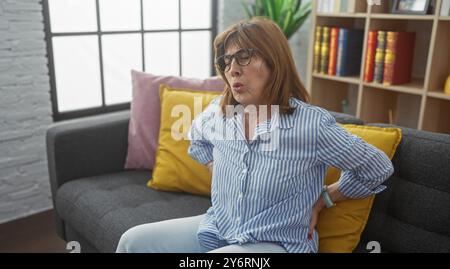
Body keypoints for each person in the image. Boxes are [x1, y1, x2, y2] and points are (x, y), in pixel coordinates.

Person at [116, 17, 394, 253]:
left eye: (244, 57)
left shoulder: (311, 125)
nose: (232, 69)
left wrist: (325, 198)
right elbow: (197, 137)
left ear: (274, 62)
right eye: (227, 60)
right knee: (133, 242)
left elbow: (376, 167)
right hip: (219, 228)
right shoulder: (218, 113)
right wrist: (220, 168)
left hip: (277, 243)